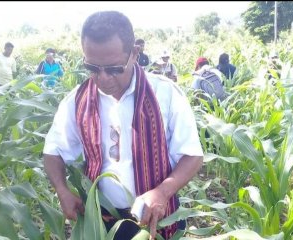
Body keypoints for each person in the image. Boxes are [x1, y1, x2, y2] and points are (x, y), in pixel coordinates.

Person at [43, 11, 203, 240]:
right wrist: (62, 191)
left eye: (114, 69)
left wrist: (163, 191)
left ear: (135, 54)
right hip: (102, 220)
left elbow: (192, 155)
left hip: (157, 218)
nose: (103, 78)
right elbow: (53, 151)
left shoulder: (165, 95)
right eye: (93, 68)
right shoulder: (76, 101)